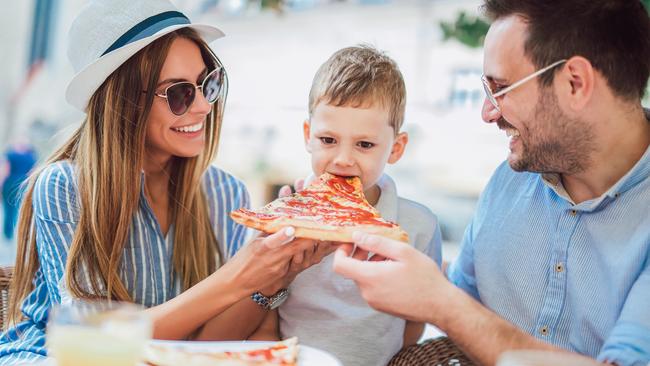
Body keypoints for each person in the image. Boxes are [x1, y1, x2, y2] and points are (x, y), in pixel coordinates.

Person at [0, 0, 329, 364]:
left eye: (209, 83)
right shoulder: (63, 187)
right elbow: (97, 348)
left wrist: (272, 278)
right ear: (123, 102)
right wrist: (238, 276)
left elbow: (202, 346)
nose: (204, 106)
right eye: (179, 93)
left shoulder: (226, 194)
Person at [333, 1, 650, 366]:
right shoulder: (509, 181)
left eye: (500, 88)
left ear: (574, 83)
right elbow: (461, 308)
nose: (488, 113)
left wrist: (441, 301)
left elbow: (453, 307)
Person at [249, 45, 443, 366]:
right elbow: (263, 318)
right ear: (308, 136)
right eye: (328, 140)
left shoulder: (419, 226)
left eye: (364, 144)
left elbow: (414, 321)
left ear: (396, 148)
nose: (342, 160)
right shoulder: (283, 215)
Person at [0, 142, 37, 240]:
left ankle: (8, 233)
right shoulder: (31, 157)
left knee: (8, 208)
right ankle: (15, 229)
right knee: (17, 208)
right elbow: (32, 173)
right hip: (22, 184)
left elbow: (5, 170)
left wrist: (1, 183)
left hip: (10, 183)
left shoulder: (10, 155)